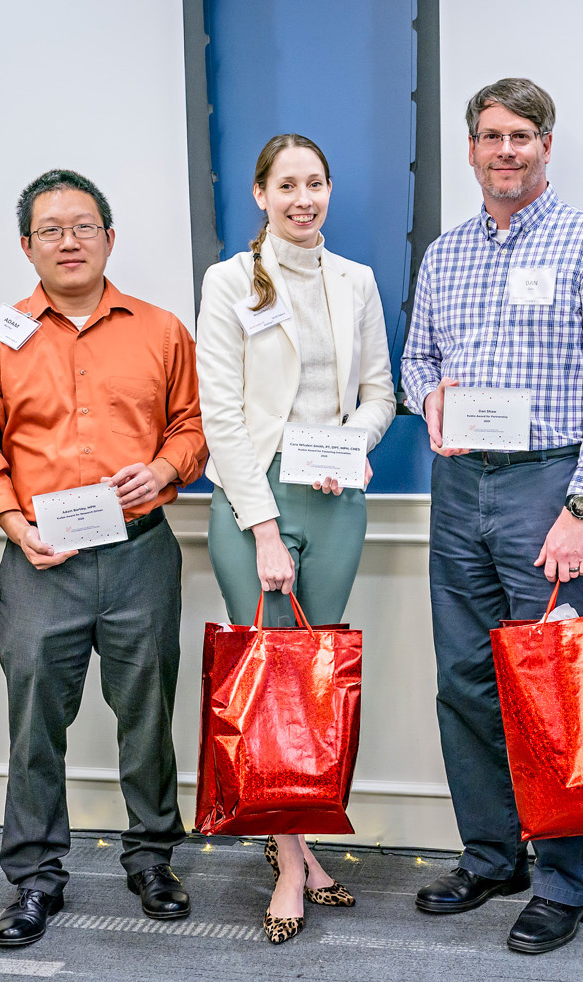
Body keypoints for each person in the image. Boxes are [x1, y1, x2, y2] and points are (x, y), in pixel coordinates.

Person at [401, 77, 583, 955]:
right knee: (464, 680)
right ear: (469, 149)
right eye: (490, 136)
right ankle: (491, 853)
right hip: (460, 485)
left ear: (546, 145)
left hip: (552, 487)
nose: (505, 151)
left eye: (522, 136)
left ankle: (561, 880)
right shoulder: (444, 254)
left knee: (555, 690)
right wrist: (426, 392)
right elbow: (415, 360)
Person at [0, 169, 207, 947]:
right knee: (34, 725)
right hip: (40, 561)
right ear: (27, 246)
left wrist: (165, 469)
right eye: (51, 230)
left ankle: (152, 857)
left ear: (109, 237)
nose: (70, 241)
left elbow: (191, 430)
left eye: (84, 226)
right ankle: (35, 877)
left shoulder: (161, 329)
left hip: (139, 555)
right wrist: (11, 522)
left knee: (147, 714)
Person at [196, 133, 394, 943]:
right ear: (259, 194)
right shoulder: (227, 281)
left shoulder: (357, 281)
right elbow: (222, 414)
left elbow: (380, 392)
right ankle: (286, 862)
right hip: (256, 504)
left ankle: (301, 845)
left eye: (315, 184)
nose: (302, 198)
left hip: (336, 498)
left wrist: (353, 447)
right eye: (287, 185)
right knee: (267, 684)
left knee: (313, 683)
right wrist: (265, 530)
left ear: (328, 190)